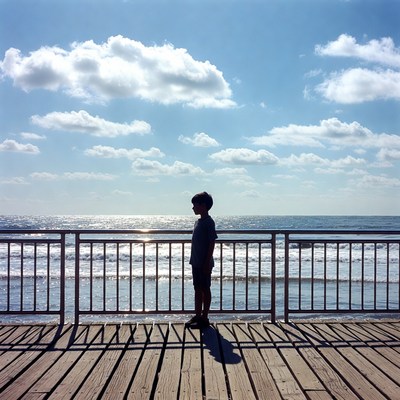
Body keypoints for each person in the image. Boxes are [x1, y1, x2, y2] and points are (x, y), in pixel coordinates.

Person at [186, 191, 217, 329]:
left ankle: (204, 317)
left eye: (195, 205)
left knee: (205, 289)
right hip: (196, 262)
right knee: (197, 289)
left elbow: (211, 242)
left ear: (203, 206)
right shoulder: (198, 222)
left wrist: (207, 261)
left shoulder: (209, 222)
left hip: (204, 263)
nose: (193, 208)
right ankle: (198, 315)